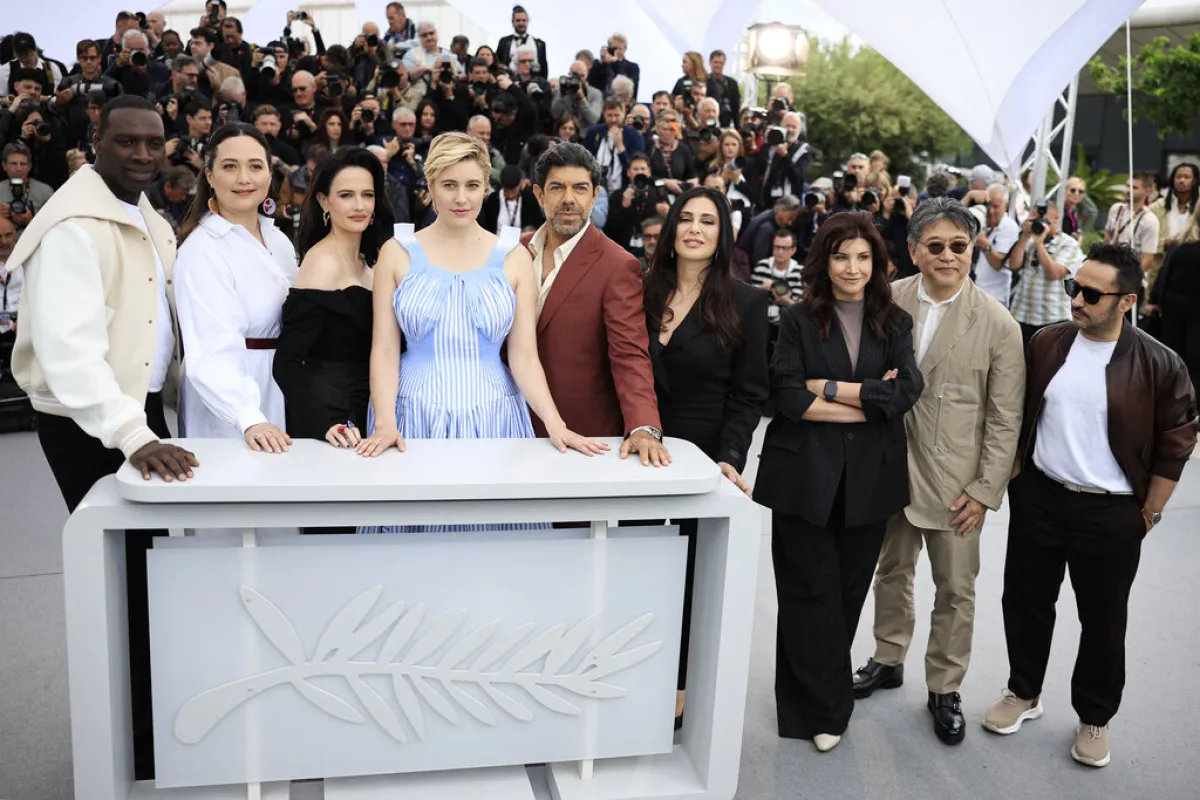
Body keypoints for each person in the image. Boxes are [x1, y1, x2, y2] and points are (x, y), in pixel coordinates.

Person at [6, 94, 197, 781]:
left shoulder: (141, 213)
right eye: (128, 143)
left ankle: (152, 724)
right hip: (94, 422)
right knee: (117, 578)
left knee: (150, 575)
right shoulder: (71, 228)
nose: (144, 155)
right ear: (94, 142)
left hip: (137, 412)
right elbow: (68, 352)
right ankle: (131, 741)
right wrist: (131, 435)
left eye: (155, 143)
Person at [983, 243, 1198, 768]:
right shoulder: (1048, 342)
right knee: (1025, 602)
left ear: (1126, 301)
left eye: (1090, 293)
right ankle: (1023, 692)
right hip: (1040, 498)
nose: (1076, 299)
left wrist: (1148, 512)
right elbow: (1017, 410)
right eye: (1072, 288)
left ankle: (1095, 717)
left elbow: (1178, 441)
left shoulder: (1160, 363)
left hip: (1113, 512)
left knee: (1103, 621)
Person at [853, 198, 1025, 746]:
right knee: (891, 571)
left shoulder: (998, 323)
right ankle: (887, 656)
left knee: (955, 588)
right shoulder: (887, 299)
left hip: (958, 486)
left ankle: (945, 687)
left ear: (972, 250)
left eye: (958, 246)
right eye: (935, 245)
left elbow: (1005, 418)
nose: (947, 255)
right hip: (889, 469)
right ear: (913, 251)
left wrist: (985, 490)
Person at [354, 132, 606, 502]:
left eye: (472, 185)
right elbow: (385, 350)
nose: (461, 198)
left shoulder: (514, 256)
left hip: (494, 415)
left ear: (486, 187)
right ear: (430, 186)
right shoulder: (396, 252)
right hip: (413, 415)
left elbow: (523, 355)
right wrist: (386, 423)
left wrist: (556, 425)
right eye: (449, 185)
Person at [754, 211, 923, 752]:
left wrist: (831, 390)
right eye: (841, 255)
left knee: (847, 592)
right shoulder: (799, 319)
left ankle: (821, 698)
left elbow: (905, 393)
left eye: (863, 257)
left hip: (870, 479)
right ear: (823, 261)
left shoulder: (895, 323)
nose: (852, 267)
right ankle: (821, 708)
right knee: (807, 591)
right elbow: (786, 396)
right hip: (804, 474)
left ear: (876, 264)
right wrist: (869, 399)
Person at [644, 186, 768, 723]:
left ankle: (679, 683)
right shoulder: (640, 288)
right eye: (686, 219)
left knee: (692, 570)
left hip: (703, 454)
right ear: (671, 230)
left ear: (722, 237)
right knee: (640, 561)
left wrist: (731, 458)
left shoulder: (746, 301)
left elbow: (749, 393)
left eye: (708, 222)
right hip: (637, 447)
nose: (695, 228)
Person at [524, 142, 669, 464]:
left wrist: (643, 426)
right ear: (538, 194)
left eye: (580, 188)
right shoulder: (513, 252)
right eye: (557, 187)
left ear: (595, 195)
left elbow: (629, 352)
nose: (568, 199)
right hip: (507, 425)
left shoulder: (617, 265)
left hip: (581, 433)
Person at [174, 123, 297, 450]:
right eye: (230, 167)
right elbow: (211, 348)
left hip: (281, 388)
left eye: (255, 166)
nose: (244, 178)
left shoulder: (279, 241)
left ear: (270, 175)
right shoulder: (201, 251)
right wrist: (248, 416)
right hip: (232, 404)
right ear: (210, 176)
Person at [274, 147, 392, 447]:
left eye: (367, 194)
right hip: (332, 421)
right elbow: (287, 362)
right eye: (346, 195)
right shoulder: (321, 263)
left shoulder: (369, 262)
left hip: (366, 412)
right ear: (324, 201)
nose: (359, 205)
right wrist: (325, 423)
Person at [1008, 200, 1084, 346]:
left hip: (1052, 319)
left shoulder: (1068, 244)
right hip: (1022, 316)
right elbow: (1014, 265)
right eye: (1035, 219)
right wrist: (1024, 237)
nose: (1039, 223)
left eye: (1043, 219)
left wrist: (1039, 244)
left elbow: (1054, 273)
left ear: (1056, 218)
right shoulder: (1029, 240)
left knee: (1046, 366)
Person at [1145, 204, 1200, 398]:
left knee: (1195, 361)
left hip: (1196, 313)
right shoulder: (1184, 238)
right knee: (1172, 359)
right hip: (1173, 308)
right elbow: (1166, 270)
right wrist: (1153, 300)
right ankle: (1173, 411)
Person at [969, 183, 1021, 307]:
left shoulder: (1009, 226)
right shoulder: (982, 221)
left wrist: (983, 243)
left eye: (996, 206)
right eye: (988, 205)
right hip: (974, 292)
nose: (991, 211)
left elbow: (998, 264)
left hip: (994, 297)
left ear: (1006, 206)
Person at [1102, 171, 1159, 276]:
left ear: (1147, 191)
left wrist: (1131, 278)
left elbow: (1148, 258)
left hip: (1130, 274)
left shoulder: (1149, 220)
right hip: (1109, 270)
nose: (1128, 190)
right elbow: (1107, 236)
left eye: (1134, 188)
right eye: (1127, 186)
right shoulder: (1116, 209)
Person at [480, 164, 544, 233]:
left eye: (513, 192)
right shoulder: (492, 200)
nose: (510, 196)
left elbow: (539, 224)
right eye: (506, 192)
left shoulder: (529, 200)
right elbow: (485, 226)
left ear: (520, 184)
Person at [495, 5, 548, 78]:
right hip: (508, 81)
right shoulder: (504, 42)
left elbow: (544, 67)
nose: (521, 23)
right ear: (512, 22)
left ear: (528, 21)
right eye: (518, 20)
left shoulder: (540, 44)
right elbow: (497, 63)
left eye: (524, 20)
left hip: (534, 82)